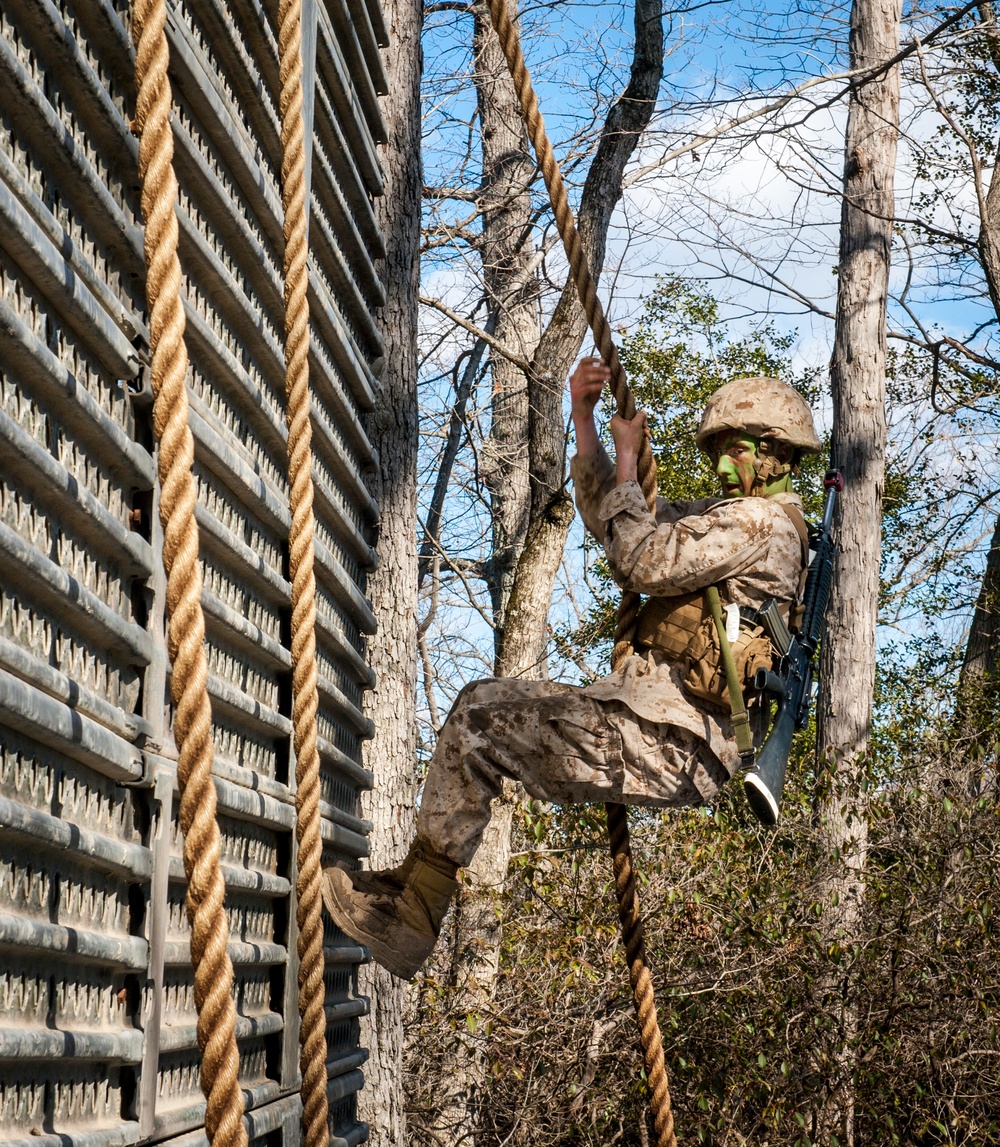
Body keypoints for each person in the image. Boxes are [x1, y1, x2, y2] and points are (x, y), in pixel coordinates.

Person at [321, 362, 822, 979]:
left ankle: (411, 915)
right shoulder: (737, 517)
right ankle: (413, 901)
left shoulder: (758, 523)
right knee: (482, 711)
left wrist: (627, 451)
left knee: (480, 718)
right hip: (652, 729)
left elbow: (640, 558)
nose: (722, 467)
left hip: (669, 739)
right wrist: (587, 426)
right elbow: (620, 522)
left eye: (736, 451)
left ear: (774, 454)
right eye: (718, 451)